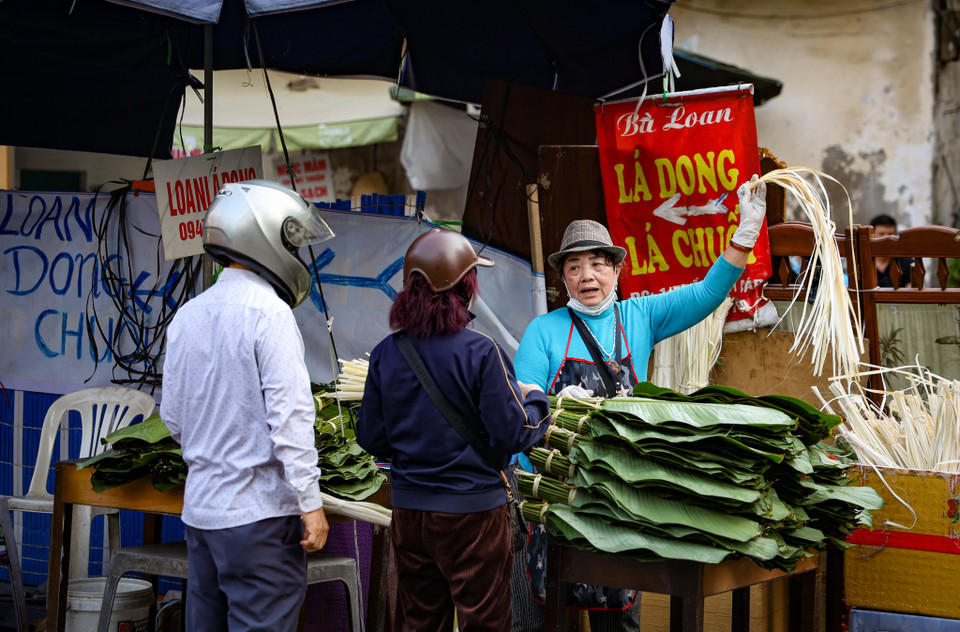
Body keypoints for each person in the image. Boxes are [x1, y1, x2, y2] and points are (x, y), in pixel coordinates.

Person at [510, 176, 767, 632]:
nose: (586, 276)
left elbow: (706, 294)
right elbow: (524, 398)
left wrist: (744, 235)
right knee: (549, 619)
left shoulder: (639, 316)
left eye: (596, 264)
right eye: (574, 267)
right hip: (560, 501)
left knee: (617, 622)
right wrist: (552, 403)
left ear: (615, 270)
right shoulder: (543, 330)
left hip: (620, 502)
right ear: (562, 276)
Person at [356, 228, 551, 632]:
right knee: (485, 624)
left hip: (409, 515)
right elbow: (513, 433)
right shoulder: (482, 352)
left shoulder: (386, 354)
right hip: (473, 518)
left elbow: (371, 439)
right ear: (464, 287)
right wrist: (537, 402)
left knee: (420, 625)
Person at [161, 180, 333, 632]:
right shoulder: (270, 315)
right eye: (291, 242)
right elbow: (291, 421)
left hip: (202, 519)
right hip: (260, 523)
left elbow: (173, 421)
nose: (296, 256)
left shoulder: (188, 315)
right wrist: (310, 503)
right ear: (265, 236)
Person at [870, 214, 913, 288]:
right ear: (872, 235)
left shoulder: (907, 262)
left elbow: (911, 293)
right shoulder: (863, 263)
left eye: (891, 234)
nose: (887, 238)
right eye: (881, 234)